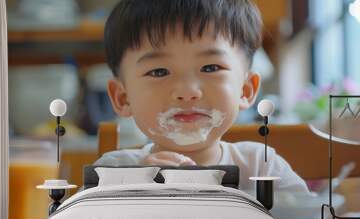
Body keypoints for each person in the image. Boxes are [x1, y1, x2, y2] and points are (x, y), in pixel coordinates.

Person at [94, 0, 309, 193]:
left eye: (210, 67)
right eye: (159, 72)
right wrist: (136, 188)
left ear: (245, 89)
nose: (187, 92)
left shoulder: (262, 166)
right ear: (123, 98)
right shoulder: (112, 174)